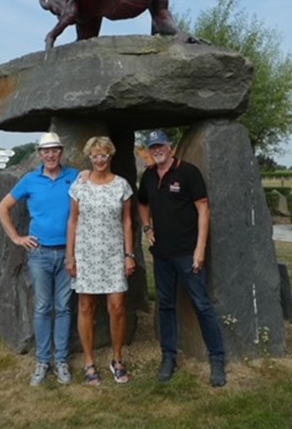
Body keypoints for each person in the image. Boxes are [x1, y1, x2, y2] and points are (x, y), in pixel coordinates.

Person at [137, 129, 227, 387]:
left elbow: (203, 210)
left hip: (188, 253)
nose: (157, 150)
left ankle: (217, 359)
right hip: (162, 255)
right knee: (165, 306)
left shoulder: (188, 173)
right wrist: (147, 227)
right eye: (153, 147)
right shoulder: (149, 176)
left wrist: (200, 250)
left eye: (161, 146)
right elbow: (142, 203)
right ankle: (169, 357)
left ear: (171, 147)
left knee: (202, 305)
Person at [0, 131, 79, 387]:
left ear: (61, 152)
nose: (50, 155)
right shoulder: (30, 180)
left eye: (54, 150)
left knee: (64, 308)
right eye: (45, 151)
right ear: (40, 154)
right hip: (39, 254)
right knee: (43, 307)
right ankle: (43, 361)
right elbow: (2, 208)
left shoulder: (74, 177)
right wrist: (17, 238)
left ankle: (61, 360)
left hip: (67, 253)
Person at [66, 136, 135, 386]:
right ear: (90, 157)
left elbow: (127, 221)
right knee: (86, 307)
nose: (99, 159)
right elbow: (72, 221)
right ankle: (88, 361)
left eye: (103, 154)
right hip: (86, 254)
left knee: (117, 306)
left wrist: (129, 255)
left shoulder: (122, 186)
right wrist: (70, 256)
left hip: (114, 254)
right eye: (95, 155)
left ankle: (117, 359)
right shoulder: (79, 185)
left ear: (110, 156)